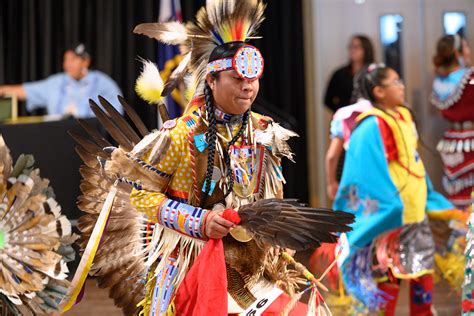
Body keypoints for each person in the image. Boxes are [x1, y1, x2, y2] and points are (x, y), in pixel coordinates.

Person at [62, 1, 355, 315]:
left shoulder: (264, 132)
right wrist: (199, 221)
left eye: (252, 81)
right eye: (237, 79)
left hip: (250, 265)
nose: (247, 88)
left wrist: (275, 244)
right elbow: (142, 196)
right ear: (212, 81)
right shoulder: (180, 135)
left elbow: (272, 194)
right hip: (189, 264)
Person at [334, 64, 463, 315]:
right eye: (396, 82)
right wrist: (387, 206)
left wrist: (428, 196)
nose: (402, 86)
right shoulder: (370, 126)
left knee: (422, 281)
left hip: (416, 217)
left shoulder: (404, 116)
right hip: (390, 225)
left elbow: (413, 162)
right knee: (387, 290)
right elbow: (362, 172)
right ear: (379, 91)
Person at [0, 43, 122, 118]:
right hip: (57, 138)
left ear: (86, 62)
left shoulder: (102, 83)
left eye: (73, 59)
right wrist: (3, 89)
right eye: (66, 60)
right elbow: (28, 91)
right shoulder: (56, 83)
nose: (68, 64)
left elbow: (117, 112)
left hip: (92, 142)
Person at [431, 34, 473, 209]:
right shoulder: (469, 78)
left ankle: (459, 232)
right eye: (466, 47)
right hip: (470, 141)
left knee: (457, 192)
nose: (469, 50)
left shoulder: (439, 81)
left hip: (451, 141)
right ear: (458, 53)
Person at [325, 70, 372, 199]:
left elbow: (332, 155)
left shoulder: (344, 115)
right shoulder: (388, 114)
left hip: (349, 172)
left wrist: (331, 183)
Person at [324, 35, 374, 112]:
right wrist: (341, 111)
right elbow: (328, 100)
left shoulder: (374, 72)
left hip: (368, 116)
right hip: (346, 118)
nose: (352, 50)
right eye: (351, 47)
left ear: (366, 49)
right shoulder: (340, 74)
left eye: (357, 47)